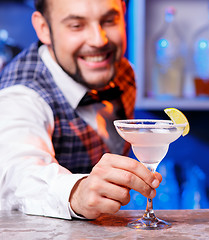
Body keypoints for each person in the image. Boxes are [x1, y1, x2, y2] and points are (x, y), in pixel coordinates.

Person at [0, 0, 162, 220]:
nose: (99, 40)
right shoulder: (21, 95)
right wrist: (77, 193)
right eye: (76, 25)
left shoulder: (123, 72)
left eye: (109, 20)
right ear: (43, 29)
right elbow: (17, 175)